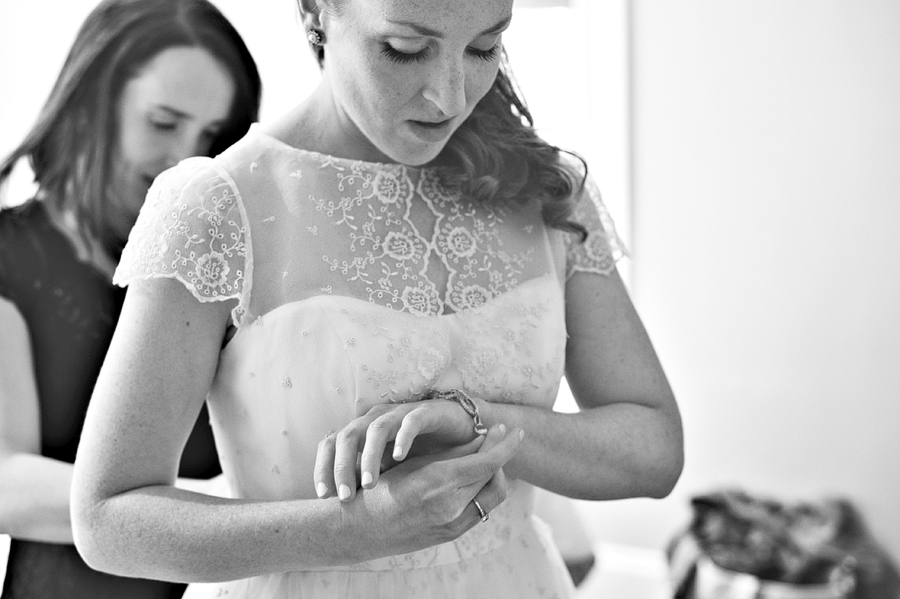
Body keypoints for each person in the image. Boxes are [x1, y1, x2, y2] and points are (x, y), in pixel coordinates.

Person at [70, 0, 684, 597]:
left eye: (484, 47)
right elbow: (108, 521)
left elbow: (653, 450)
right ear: (314, 12)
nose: (449, 96)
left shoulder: (548, 193)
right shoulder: (216, 206)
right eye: (404, 49)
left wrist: (476, 421)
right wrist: (358, 529)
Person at [0, 1, 261, 597]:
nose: (186, 160)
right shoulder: (10, 253)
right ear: (92, 104)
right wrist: (228, 511)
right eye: (164, 122)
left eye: (212, 137)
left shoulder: (217, 272)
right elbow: (3, 481)